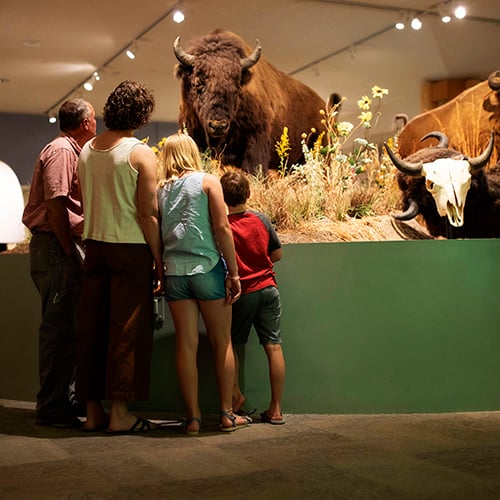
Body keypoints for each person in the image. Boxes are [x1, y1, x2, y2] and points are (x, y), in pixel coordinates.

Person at [76, 80, 163, 433]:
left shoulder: (86, 151)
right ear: (141, 115)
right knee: (125, 331)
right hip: (129, 250)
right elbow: (148, 214)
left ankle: (93, 410)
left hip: (93, 247)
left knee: (92, 329)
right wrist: (158, 259)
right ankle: (121, 413)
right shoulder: (140, 154)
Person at [158, 132, 251, 434]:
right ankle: (226, 413)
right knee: (221, 342)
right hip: (208, 268)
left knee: (186, 345)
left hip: (174, 273)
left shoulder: (159, 190)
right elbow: (223, 228)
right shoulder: (208, 181)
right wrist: (234, 273)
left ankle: (193, 418)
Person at [22, 98, 96, 427]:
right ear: (84, 123)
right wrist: (68, 250)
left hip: (56, 247)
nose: (97, 123)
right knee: (58, 330)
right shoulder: (63, 152)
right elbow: (55, 203)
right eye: (94, 118)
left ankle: (62, 402)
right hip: (55, 248)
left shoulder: (68, 150)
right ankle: (52, 407)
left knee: (66, 328)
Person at [220, 170, 286, 425]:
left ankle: (235, 396)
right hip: (269, 288)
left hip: (243, 292)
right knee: (274, 346)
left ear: (222, 198)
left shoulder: (224, 226)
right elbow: (277, 254)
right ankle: (276, 409)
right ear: (248, 193)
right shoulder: (261, 219)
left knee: (233, 345)